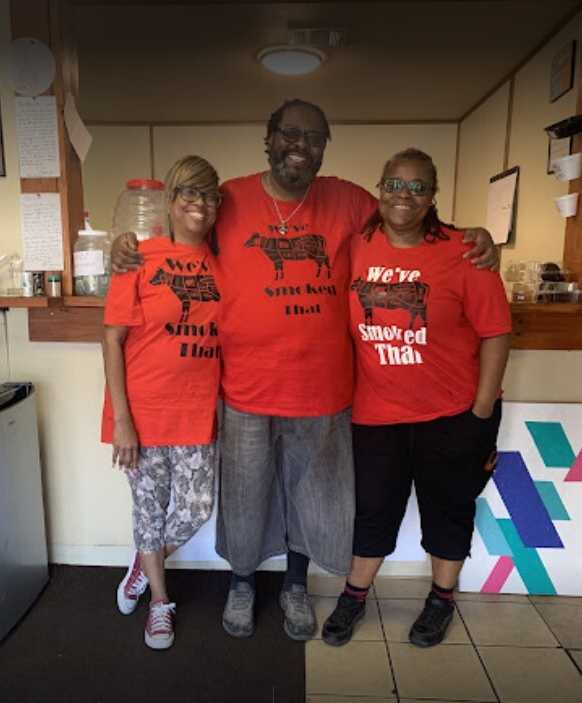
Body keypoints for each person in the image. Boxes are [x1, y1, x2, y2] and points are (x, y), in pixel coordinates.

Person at [110, 100, 499, 643]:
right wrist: (129, 244)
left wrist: (471, 236)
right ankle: (242, 583)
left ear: (323, 147)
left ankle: (295, 585)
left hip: (325, 391)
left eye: (314, 137)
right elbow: (184, 231)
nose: (300, 144)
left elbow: (405, 216)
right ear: (268, 139)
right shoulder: (232, 199)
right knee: (245, 497)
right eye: (289, 133)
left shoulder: (349, 199)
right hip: (245, 387)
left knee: (311, 499)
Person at [321, 147, 511, 649]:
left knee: (448, 508)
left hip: (454, 413)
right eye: (394, 185)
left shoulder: (465, 251)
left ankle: (441, 599)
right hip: (376, 413)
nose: (404, 195)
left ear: (433, 197)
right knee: (373, 508)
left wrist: (482, 412)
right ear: (379, 189)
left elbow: (496, 332)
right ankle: (354, 596)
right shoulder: (356, 243)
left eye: (418, 187)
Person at [101, 155, 222, 650]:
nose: (199, 203)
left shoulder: (224, 262)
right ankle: (159, 603)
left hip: (197, 413)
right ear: (170, 201)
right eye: (188, 193)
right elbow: (112, 341)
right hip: (143, 415)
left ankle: (142, 561)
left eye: (209, 195)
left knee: (195, 508)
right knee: (148, 512)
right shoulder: (139, 257)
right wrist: (122, 422)